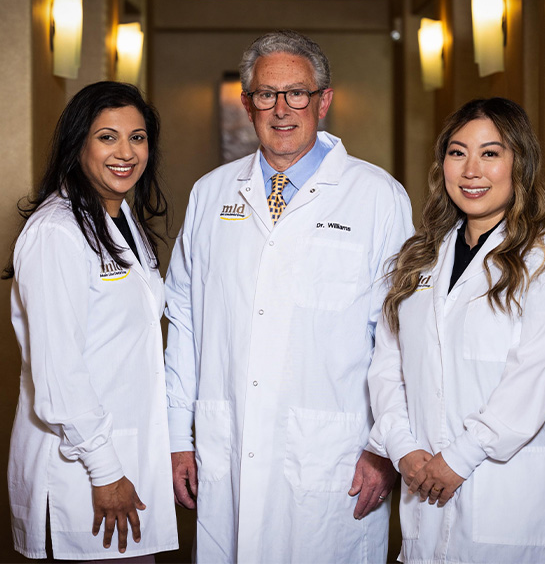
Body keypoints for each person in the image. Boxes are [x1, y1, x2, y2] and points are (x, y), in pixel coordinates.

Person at [165, 30, 413, 563]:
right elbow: (185, 325)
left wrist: (383, 449)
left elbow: (398, 338)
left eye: (296, 93)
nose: (282, 109)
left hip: (335, 457)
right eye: (266, 94)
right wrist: (175, 436)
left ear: (323, 101)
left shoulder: (377, 197)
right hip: (226, 447)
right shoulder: (211, 194)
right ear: (247, 103)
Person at [368, 97, 545, 563]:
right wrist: (402, 447)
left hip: (508, 493)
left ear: (520, 164)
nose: (471, 170)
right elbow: (388, 367)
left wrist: (460, 457)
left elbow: (530, 380)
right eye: (457, 152)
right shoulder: (418, 258)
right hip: (423, 480)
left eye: (490, 153)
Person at [4, 81, 178, 560]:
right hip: (84, 471)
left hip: (125, 457)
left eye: (138, 138)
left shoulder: (122, 222)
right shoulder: (57, 231)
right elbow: (59, 370)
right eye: (107, 137)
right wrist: (104, 469)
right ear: (78, 144)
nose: (126, 153)